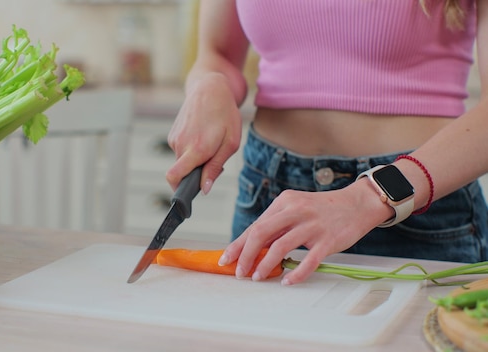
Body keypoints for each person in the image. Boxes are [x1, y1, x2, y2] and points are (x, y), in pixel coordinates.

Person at [165, 0, 488, 286]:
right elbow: (217, 54)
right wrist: (209, 83)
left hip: (415, 206)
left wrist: (370, 197)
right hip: (270, 194)